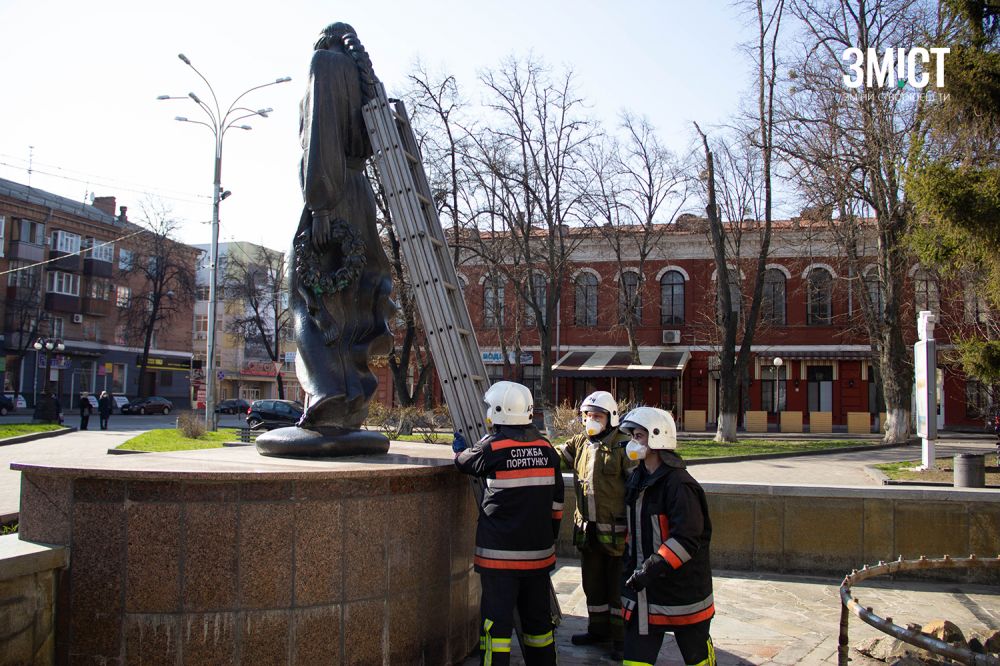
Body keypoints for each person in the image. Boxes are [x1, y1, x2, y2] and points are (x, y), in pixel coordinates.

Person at [258, 21, 395, 456]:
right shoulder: (364, 80)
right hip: (359, 195)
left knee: (306, 297)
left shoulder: (325, 65)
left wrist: (319, 206)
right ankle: (350, 402)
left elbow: (320, 135)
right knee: (350, 302)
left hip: (331, 196)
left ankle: (326, 395)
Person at [453, 381, 563, 666]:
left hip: (500, 559)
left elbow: (465, 463)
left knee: (496, 627)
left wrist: (459, 450)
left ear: (500, 411)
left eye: (490, 408)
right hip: (538, 557)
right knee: (538, 626)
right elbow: (557, 504)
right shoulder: (547, 449)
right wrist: (546, 538)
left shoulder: (494, 446)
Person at [619, 406, 716, 666]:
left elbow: (686, 539)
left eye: (639, 436)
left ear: (657, 438)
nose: (633, 442)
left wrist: (649, 569)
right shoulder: (635, 479)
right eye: (633, 435)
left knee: (698, 659)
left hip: (682, 593)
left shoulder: (680, 485)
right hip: (644, 594)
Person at [555, 391, 632, 660]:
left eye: (597, 416)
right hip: (588, 533)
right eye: (587, 416)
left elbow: (638, 488)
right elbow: (554, 456)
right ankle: (597, 630)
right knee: (593, 585)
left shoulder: (624, 447)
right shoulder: (580, 443)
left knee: (617, 589)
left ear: (611, 418)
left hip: (617, 536)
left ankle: (622, 639)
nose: (591, 421)